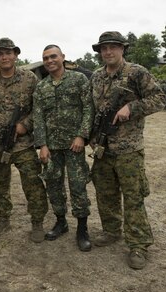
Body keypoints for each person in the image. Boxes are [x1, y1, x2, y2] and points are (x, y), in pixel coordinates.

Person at [88, 31, 166, 269]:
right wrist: (91, 137)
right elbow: (93, 110)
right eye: (104, 48)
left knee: (133, 198)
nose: (108, 52)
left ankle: (138, 245)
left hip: (128, 149)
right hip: (103, 148)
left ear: (123, 49)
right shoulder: (97, 77)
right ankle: (111, 231)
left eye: (113, 47)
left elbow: (160, 98)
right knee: (105, 193)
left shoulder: (137, 72)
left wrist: (131, 107)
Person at [0, 37, 48, 243]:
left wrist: (25, 124)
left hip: (23, 144)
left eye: (8, 53)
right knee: (0, 183)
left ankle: (37, 221)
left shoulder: (30, 79)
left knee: (32, 181)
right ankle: (3, 218)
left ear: (16, 55)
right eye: (0, 54)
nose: (5, 57)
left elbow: (39, 108)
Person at [33, 45, 94, 251]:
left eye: (53, 56)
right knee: (53, 185)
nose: (49, 61)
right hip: (52, 147)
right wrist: (42, 145)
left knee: (78, 186)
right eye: (45, 58)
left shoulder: (79, 80)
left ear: (63, 58)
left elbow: (88, 108)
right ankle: (61, 222)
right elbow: (38, 117)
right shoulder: (41, 87)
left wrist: (81, 136)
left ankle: (82, 229)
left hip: (73, 145)